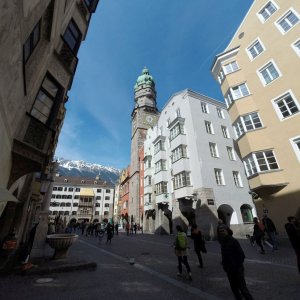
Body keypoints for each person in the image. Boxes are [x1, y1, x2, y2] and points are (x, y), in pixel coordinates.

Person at [219, 227, 254, 300]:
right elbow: (224, 255)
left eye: (223, 231)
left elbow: (241, 255)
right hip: (229, 270)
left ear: (227, 231)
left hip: (237, 270)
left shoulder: (233, 241)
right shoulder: (223, 242)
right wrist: (224, 264)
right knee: (234, 290)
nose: (221, 232)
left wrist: (235, 265)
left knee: (243, 289)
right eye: (220, 231)